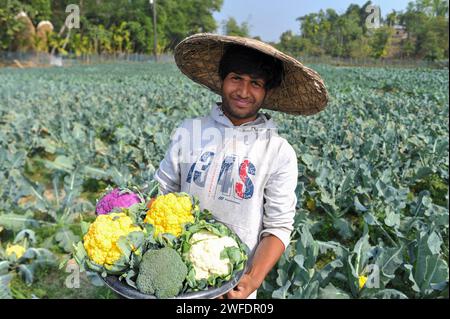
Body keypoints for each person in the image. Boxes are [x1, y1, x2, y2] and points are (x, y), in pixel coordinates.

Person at [154, 33, 328, 299]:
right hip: (176, 279)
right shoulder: (189, 131)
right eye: (236, 78)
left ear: (267, 91)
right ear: (222, 80)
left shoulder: (278, 152)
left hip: (233, 286)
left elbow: (278, 227)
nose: (244, 92)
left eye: (256, 83)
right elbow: (162, 192)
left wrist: (251, 280)